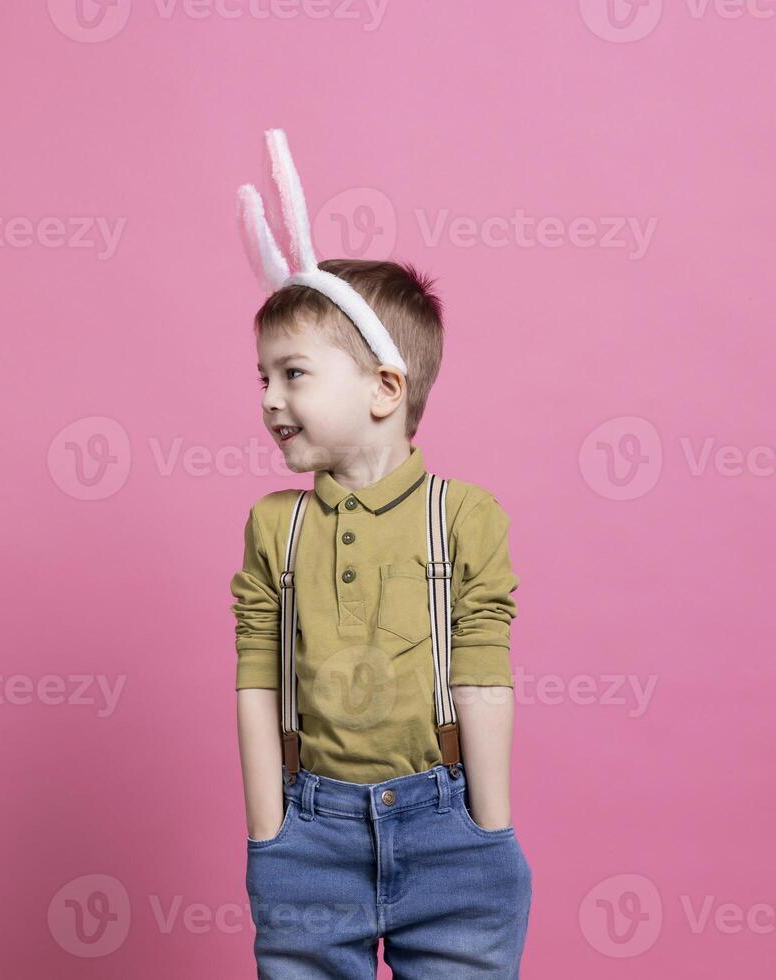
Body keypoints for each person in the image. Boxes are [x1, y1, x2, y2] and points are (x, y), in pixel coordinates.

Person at [229, 130, 531, 978]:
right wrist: (268, 831)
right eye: (261, 378)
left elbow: (481, 673)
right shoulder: (273, 528)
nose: (269, 400)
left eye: (292, 374)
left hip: (449, 832)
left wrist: (488, 833)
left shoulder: (465, 516)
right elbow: (258, 681)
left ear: (384, 388)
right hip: (308, 837)